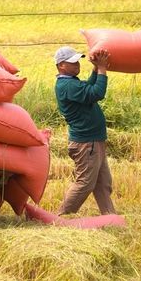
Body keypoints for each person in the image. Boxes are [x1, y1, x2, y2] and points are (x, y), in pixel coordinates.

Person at [54, 45, 116, 216]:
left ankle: (110, 217)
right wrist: (102, 69)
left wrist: (96, 69)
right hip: (86, 143)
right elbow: (96, 93)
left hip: (94, 141)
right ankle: (61, 217)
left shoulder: (71, 82)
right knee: (85, 183)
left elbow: (88, 87)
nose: (77, 65)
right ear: (61, 66)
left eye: (77, 61)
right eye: (72, 63)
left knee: (103, 183)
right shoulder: (67, 85)